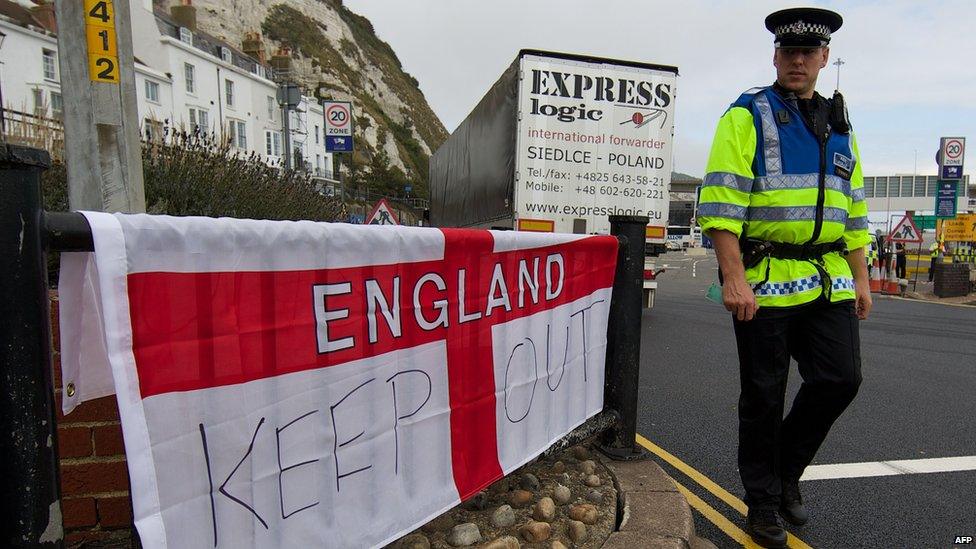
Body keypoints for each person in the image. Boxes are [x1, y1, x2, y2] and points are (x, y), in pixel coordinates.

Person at [697, 7, 872, 548]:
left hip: (828, 278)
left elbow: (855, 210)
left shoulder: (841, 125)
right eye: (787, 52)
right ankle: (764, 502)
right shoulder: (746, 115)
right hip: (765, 277)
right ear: (776, 57)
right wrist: (732, 278)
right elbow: (721, 201)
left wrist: (862, 278)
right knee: (764, 394)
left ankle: (785, 472)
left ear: (823, 59)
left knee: (841, 379)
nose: (797, 61)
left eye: (807, 53)